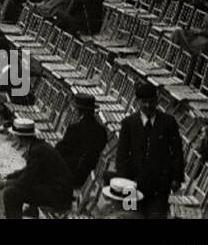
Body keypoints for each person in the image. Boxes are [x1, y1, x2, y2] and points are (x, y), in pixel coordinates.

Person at [114, 83, 185, 218]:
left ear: (157, 101)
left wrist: (176, 177)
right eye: (144, 102)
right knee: (130, 217)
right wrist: (123, 180)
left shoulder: (168, 122)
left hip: (159, 186)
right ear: (137, 102)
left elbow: (177, 152)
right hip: (132, 184)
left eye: (151, 101)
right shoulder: (128, 123)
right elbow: (121, 155)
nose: (148, 105)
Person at [0, 118, 73, 218]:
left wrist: (6, 183)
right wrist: (10, 176)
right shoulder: (40, 146)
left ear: (21, 138)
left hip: (58, 196)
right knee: (19, 187)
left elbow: (25, 182)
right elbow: (28, 170)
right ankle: (30, 211)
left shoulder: (36, 151)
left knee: (11, 193)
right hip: (59, 192)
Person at [55, 93, 108, 192]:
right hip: (89, 175)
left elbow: (61, 150)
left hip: (72, 174)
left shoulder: (74, 129)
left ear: (79, 111)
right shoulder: (102, 131)